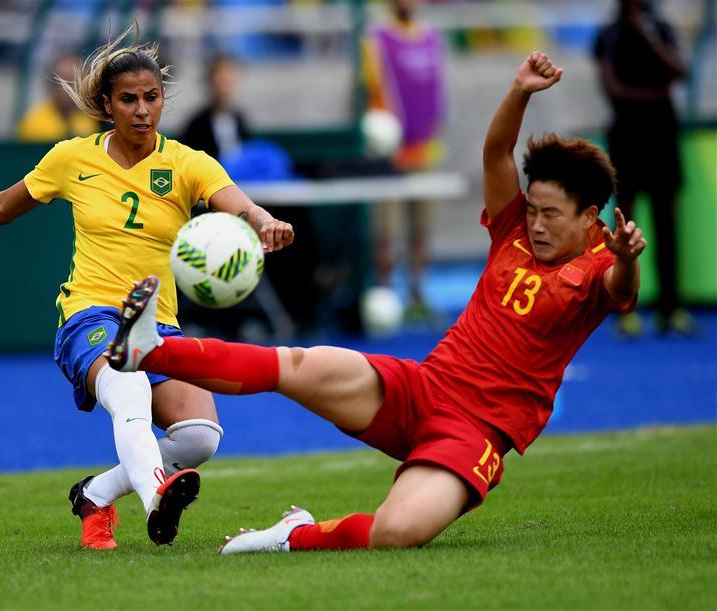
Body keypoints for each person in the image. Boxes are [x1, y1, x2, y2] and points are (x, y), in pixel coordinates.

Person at [106, 52, 646, 553]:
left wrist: (626, 259)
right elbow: (496, 152)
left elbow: (621, 292)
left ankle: (296, 534)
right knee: (294, 365)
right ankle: (149, 352)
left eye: (552, 214)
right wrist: (520, 91)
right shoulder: (514, 229)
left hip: (476, 431)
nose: (537, 222)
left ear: (589, 216)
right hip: (422, 387)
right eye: (535, 209)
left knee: (396, 532)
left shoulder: (604, 260)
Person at [0, 25, 294, 550]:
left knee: (200, 438)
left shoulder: (187, 164)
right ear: (107, 104)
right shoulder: (72, 158)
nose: (142, 110)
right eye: (128, 99)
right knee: (126, 379)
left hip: (157, 323)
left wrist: (263, 222)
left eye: (151, 97)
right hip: (90, 315)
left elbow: (239, 203)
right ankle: (157, 497)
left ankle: (95, 495)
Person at [594, 0, 690, 336]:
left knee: (667, 225)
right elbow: (612, 89)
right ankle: (625, 309)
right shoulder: (609, 35)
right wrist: (653, 96)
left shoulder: (660, 30)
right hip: (627, 139)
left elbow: (680, 71)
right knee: (625, 228)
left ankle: (670, 309)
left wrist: (648, 38)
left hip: (663, 137)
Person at [362, 0, 445, 319]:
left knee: (421, 230)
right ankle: (384, 295)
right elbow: (365, 94)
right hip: (389, 156)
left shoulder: (432, 38)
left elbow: (436, 93)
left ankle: (417, 296)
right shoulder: (375, 39)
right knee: (386, 231)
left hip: (425, 152)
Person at [180, 53, 251, 161]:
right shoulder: (197, 124)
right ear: (210, 82)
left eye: (229, 78)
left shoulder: (240, 118)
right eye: (221, 79)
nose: (225, 83)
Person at [15, 54, 101, 143]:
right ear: (51, 85)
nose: (69, 88)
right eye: (63, 82)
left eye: (74, 82)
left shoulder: (88, 122)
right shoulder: (34, 123)